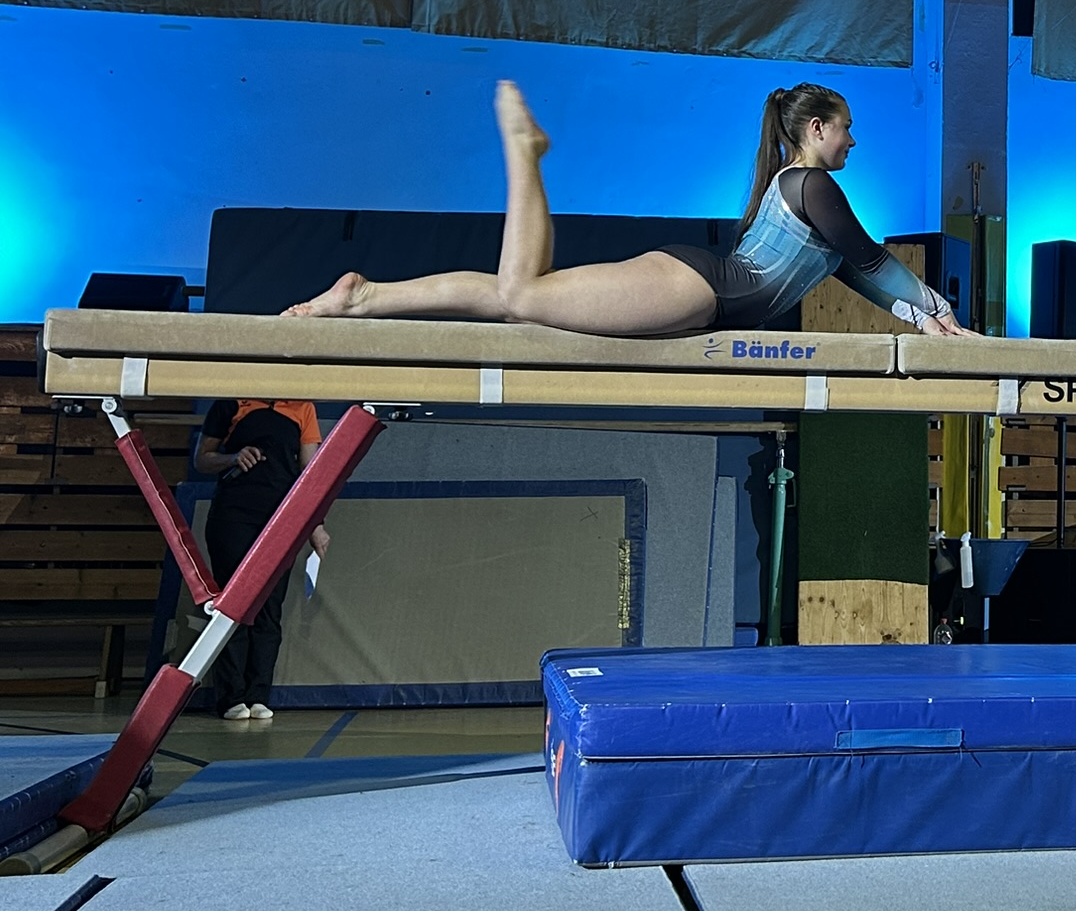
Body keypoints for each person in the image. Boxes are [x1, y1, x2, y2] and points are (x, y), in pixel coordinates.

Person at [288, 81, 973, 337]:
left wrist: (923, 320)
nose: (853, 140)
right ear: (816, 129)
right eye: (846, 127)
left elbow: (854, 273)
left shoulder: (800, 190)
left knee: (512, 298)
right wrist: (941, 311)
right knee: (522, 295)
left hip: (701, 290)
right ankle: (524, 154)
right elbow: (871, 259)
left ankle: (366, 298)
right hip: (699, 288)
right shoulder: (813, 184)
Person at [191, 399, 330, 721]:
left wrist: (316, 524)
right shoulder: (230, 403)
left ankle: (258, 695)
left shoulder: (302, 407)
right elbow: (202, 460)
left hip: (281, 518)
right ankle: (231, 697)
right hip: (234, 515)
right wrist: (231, 457)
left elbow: (310, 474)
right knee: (233, 606)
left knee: (269, 608)